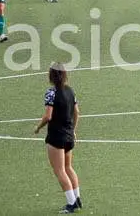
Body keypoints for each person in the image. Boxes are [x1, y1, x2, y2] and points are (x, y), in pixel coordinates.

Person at [33, 63, 83, 214]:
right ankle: (77, 199)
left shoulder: (51, 92)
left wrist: (38, 127)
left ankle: (71, 203)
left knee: (59, 170)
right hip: (68, 135)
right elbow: (77, 112)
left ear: (51, 75)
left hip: (56, 136)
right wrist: (73, 130)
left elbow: (48, 116)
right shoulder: (70, 91)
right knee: (68, 167)